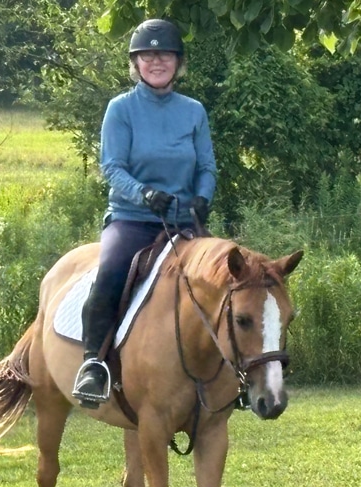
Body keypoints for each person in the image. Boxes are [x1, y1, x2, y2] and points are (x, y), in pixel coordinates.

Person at [71, 18, 217, 408]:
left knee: (226, 283)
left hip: (185, 221)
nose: (156, 61)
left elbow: (206, 167)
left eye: (165, 54)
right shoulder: (121, 109)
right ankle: (93, 366)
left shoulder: (194, 111)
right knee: (112, 271)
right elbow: (112, 167)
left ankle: (227, 377)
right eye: (147, 55)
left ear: (178, 62)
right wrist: (143, 194)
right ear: (135, 63)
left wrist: (203, 197)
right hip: (133, 218)